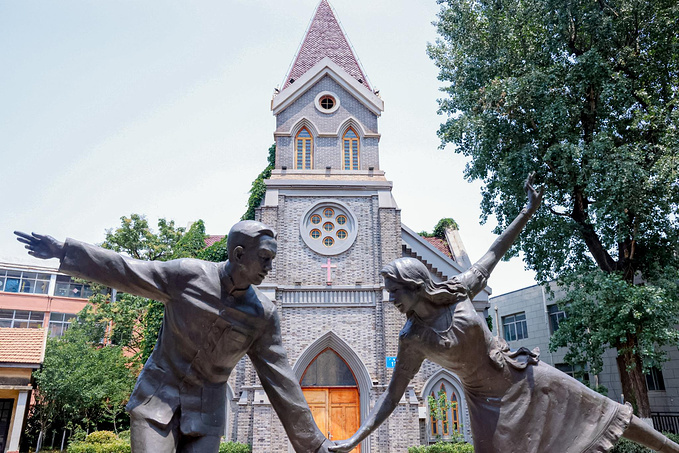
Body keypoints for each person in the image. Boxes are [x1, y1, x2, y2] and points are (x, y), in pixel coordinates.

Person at [329, 175, 679, 453]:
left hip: (521, 373)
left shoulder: (459, 290)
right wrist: (353, 438)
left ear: (416, 285)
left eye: (395, 291)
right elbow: (391, 397)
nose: (391, 299)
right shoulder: (413, 339)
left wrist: (528, 210)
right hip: (487, 404)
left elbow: (495, 250)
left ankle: (671, 448)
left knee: (603, 410)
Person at [15, 221, 333, 453]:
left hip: (206, 415)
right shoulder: (187, 276)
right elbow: (127, 269)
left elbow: (282, 383)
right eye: (264, 258)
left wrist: (316, 445)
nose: (270, 266)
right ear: (238, 254)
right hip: (157, 397)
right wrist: (64, 251)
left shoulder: (263, 315)